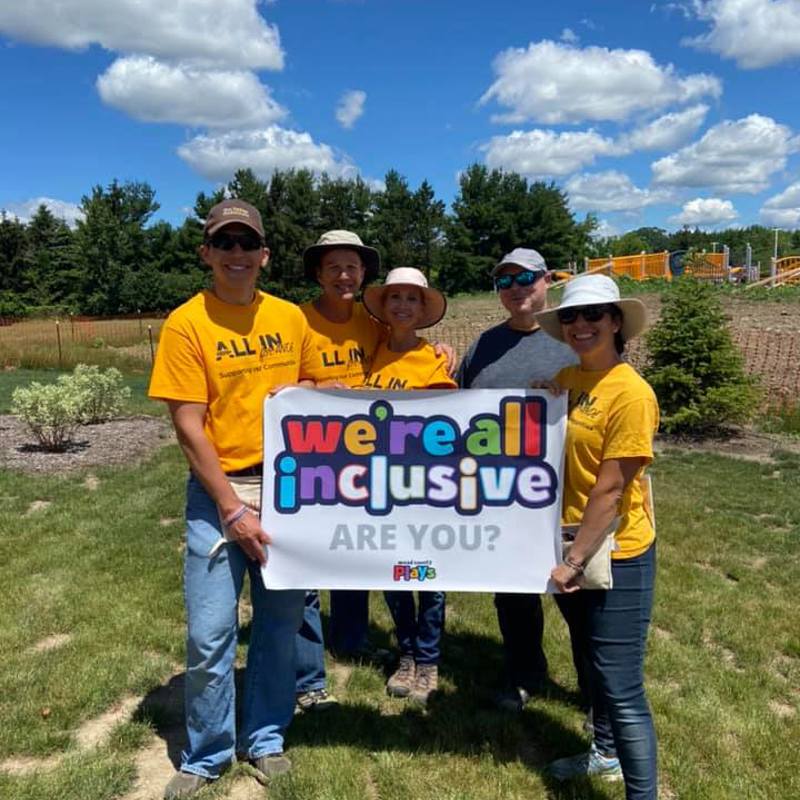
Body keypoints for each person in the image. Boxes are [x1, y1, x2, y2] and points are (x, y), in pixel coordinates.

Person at [148, 199, 315, 799]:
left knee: (279, 624)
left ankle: (266, 739)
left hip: (293, 489)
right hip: (219, 491)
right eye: (226, 244)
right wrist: (232, 507)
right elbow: (189, 425)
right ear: (207, 254)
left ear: (265, 255)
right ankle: (208, 753)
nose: (238, 254)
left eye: (248, 244)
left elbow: (319, 388)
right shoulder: (186, 324)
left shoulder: (292, 318)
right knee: (211, 632)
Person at [533, 273, 659, 798]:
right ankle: (604, 753)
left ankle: (641, 793)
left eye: (592, 316)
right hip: (569, 541)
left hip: (613, 552)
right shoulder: (570, 377)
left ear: (614, 322)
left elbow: (610, 492)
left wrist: (574, 560)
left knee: (621, 685)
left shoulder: (630, 393)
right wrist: (542, 403)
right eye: (570, 317)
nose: (580, 325)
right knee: (593, 662)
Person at [456, 247, 584, 713]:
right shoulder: (482, 346)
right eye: (505, 282)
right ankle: (525, 674)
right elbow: (455, 411)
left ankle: (594, 697)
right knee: (513, 596)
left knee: (579, 601)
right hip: (501, 497)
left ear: (547, 279)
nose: (516, 289)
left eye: (525, 278)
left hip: (566, 496)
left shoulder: (573, 339)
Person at [292, 230, 384, 712]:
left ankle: (351, 639)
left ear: (364, 273)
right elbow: (286, 384)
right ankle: (309, 677)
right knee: (306, 562)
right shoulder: (296, 321)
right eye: (334, 268)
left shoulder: (373, 324)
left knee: (354, 549)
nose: (344, 276)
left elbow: (399, 362)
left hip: (363, 456)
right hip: (313, 456)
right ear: (318, 274)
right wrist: (319, 386)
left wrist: (441, 354)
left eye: (352, 267)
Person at [361, 267, 456, 705]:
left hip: (422, 488)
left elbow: (446, 426)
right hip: (379, 487)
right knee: (394, 575)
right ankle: (407, 656)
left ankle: (430, 662)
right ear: (383, 306)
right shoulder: (370, 353)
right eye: (395, 297)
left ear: (423, 310)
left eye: (412, 299)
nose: (402, 305)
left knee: (428, 578)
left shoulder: (433, 361)